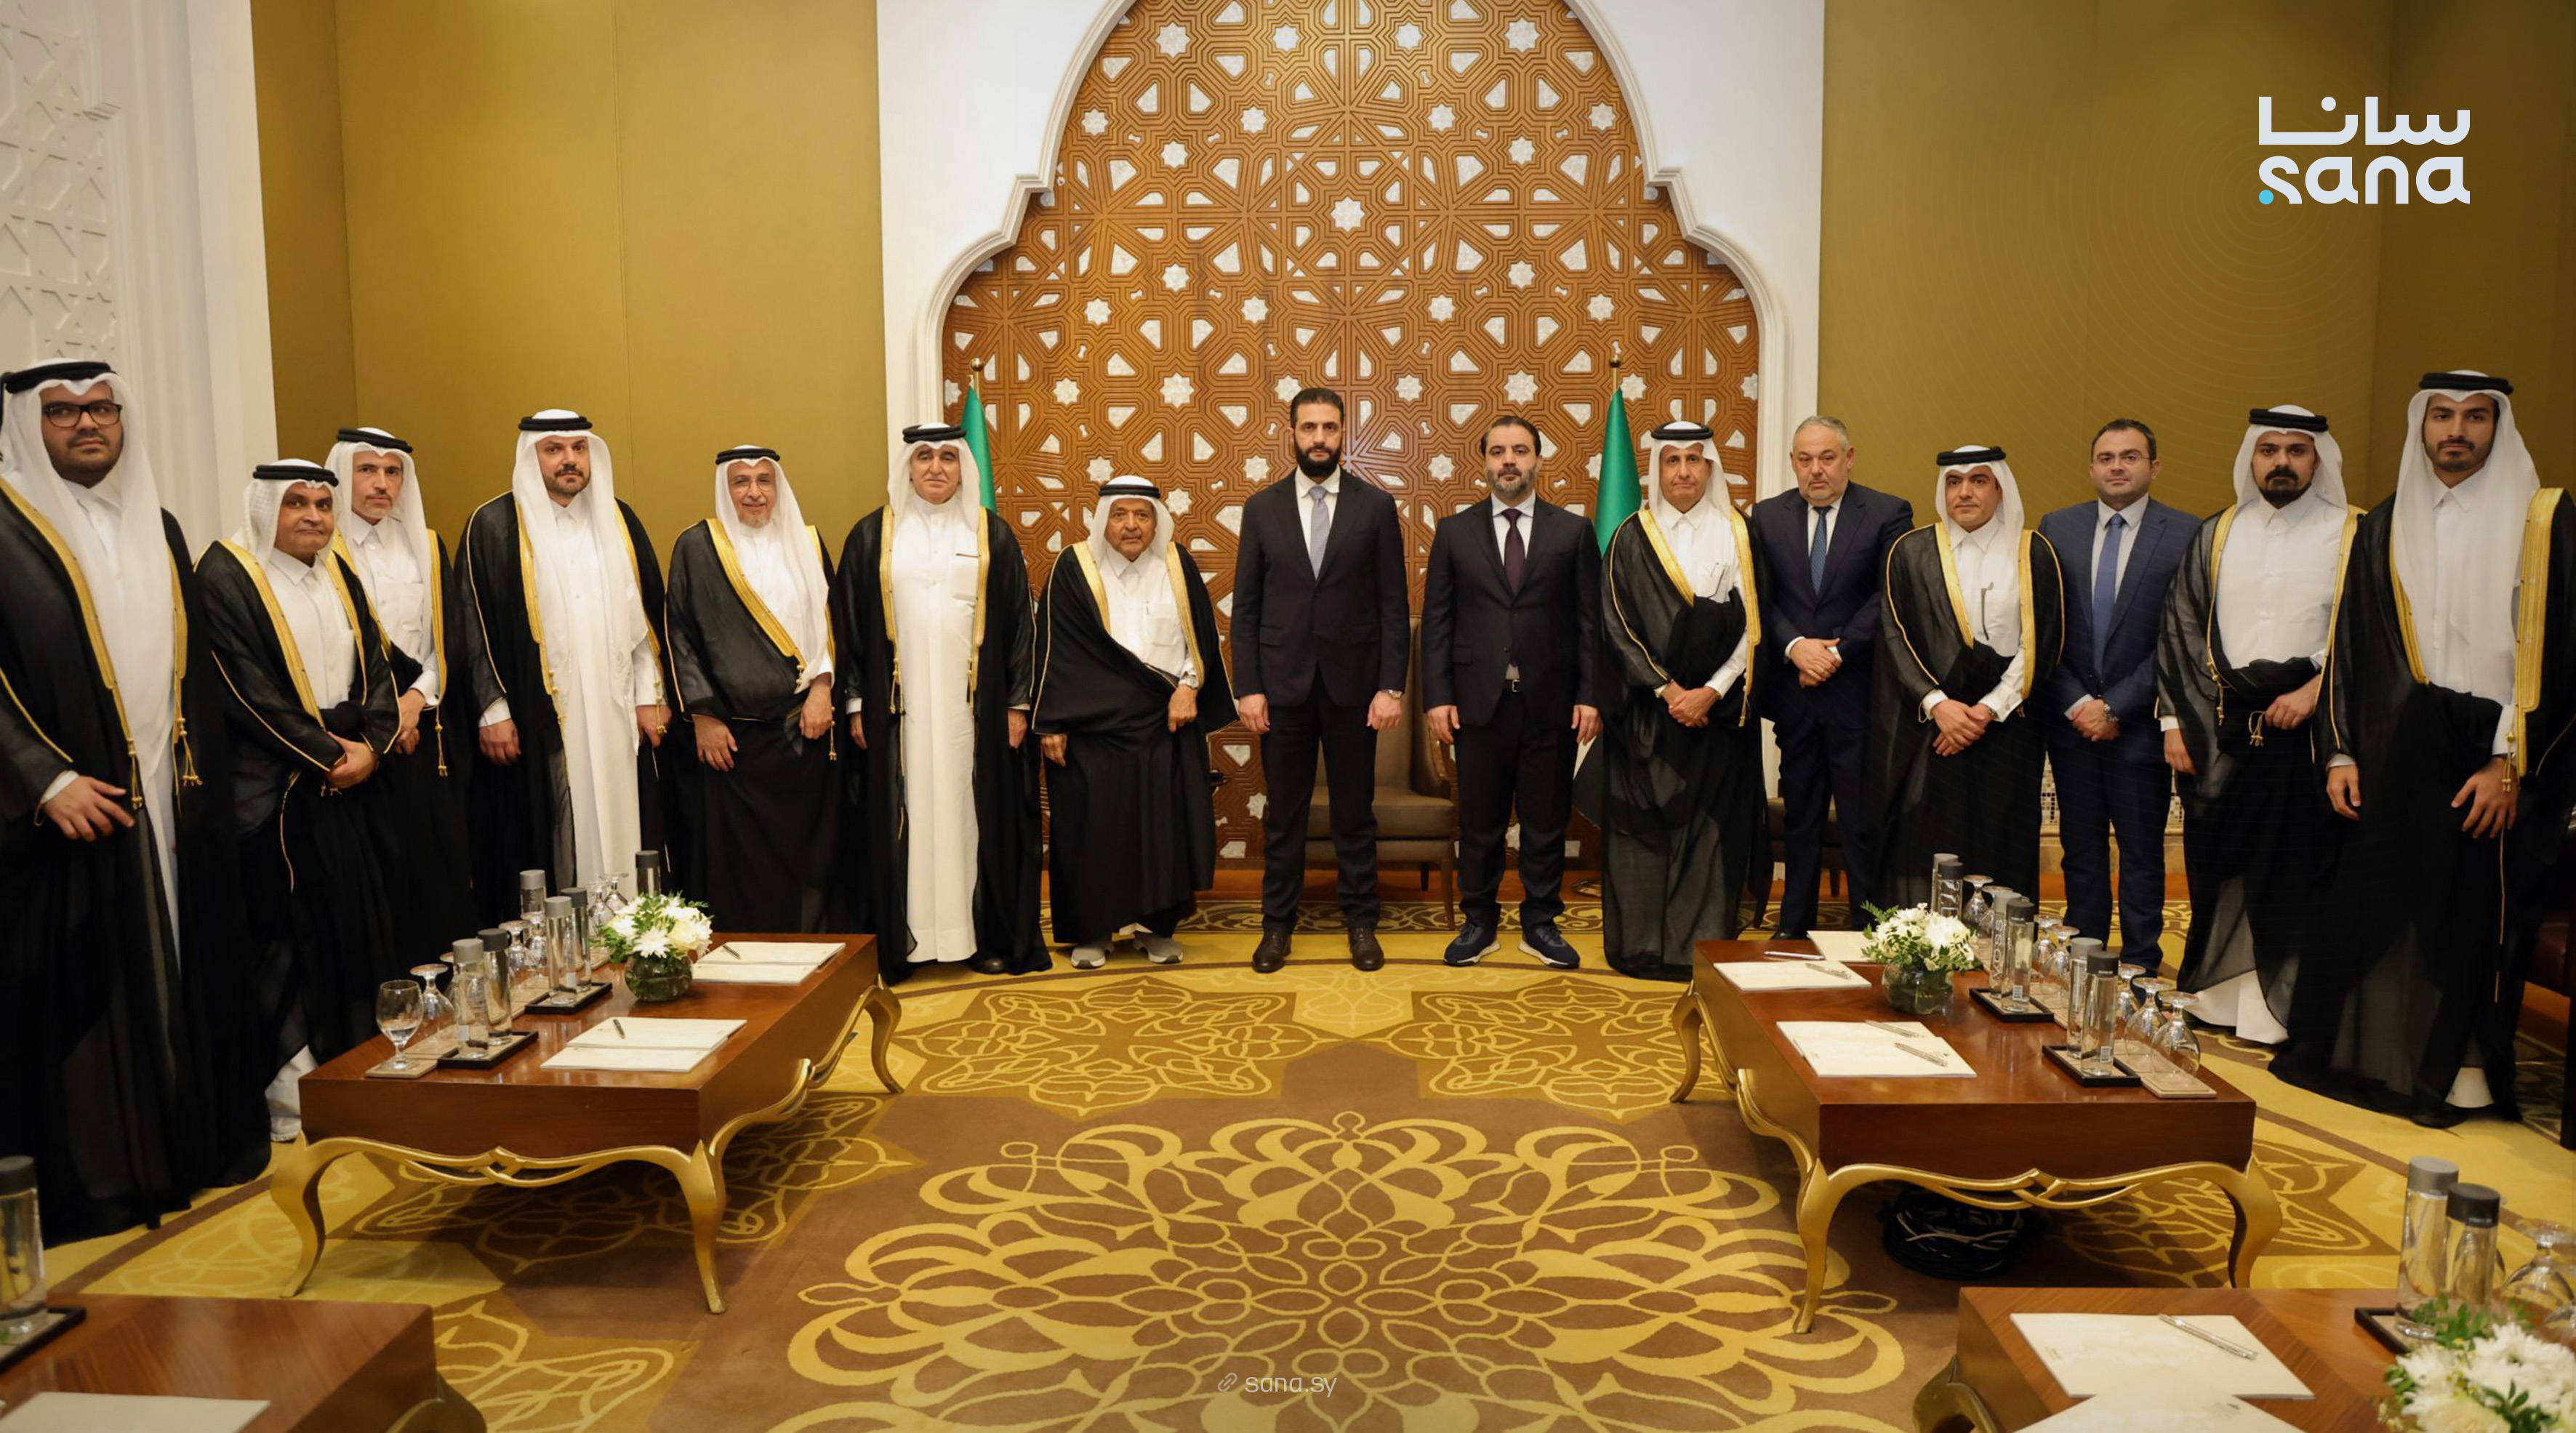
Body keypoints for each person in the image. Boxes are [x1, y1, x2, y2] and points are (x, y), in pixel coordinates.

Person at [0, 358, 265, 1243]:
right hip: (58, 810)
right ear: (27, 424)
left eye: (103, 409)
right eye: (63, 412)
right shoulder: (7, 523)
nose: (88, 424)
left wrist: (196, 792)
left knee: (176, 970)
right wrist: (42, 778)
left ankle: (183, 1149)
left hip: (165, 791)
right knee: (90, 992)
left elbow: (196, 674)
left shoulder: (158, 522)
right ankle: (107, 1177)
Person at [2280, 372, 2575, 1126]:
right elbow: (2351, 645)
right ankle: (2384, 1058)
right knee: (2383, 899)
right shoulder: (2385, 523)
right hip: (2401, 744)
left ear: (2497, 428)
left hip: (2497, 748)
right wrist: (2341, 752)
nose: (2456, 431)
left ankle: (2464, 1071)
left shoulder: (2545, 521)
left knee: (2472, 914)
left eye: (2475, 418)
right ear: (2422, 425)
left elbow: (2566, 656)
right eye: (2442, 415)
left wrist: (2509, 760)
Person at [198, 459, 406, 1138]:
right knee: (289, 937)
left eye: (322, 503)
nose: (313, 516)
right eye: (296, 503)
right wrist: (327, 756)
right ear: (266, 509)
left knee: (350, 924)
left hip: (350, 781)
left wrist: (372, 746)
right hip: (275, 790)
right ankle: (293, 1096)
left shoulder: (336, 570)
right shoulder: (226, 574)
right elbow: (243, 688)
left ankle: (354, 1075)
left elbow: (377, 665)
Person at [2156, 406, 2353, 1045]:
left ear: (2317, 459)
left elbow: (2364, 630)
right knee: (2223, 861)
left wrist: (2316, 689)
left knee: (2292, 869)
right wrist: (2174, 720)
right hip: (2228, 728)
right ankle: (2217, 997)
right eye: (2269, 450)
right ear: (2251, 458)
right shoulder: (2219, 532)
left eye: (2296, 451)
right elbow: (2182, 627)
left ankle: (2279, 1010)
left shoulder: (2351, 533)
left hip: (2313, 731)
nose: (2281, 463)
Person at [830, 425, 1043, 979]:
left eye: (948, 457)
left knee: (968, 814)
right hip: (895, 713)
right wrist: (854, 703)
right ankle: (905, 944)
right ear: (907, 466)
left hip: (972, 712)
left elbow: (1020, 627)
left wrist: (1016, 704)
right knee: (903, 816)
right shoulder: (872, 535)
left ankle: (975, 937)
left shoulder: (990, 534)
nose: (935, 468)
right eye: (923, 456)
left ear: (962, 468)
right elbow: (847, 624)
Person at [457, 411, 673, 909]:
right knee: (552, 824)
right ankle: (561, 937)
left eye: (578, 449)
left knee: (624, 817)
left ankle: (627, 923)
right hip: (540, 712)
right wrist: (493, 710)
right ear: (530, 456)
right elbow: (472, 624)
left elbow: (645, 621)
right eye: (553, 449)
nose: (569, 460)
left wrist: (649, 696)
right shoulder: (493, 525)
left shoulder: (618, 520)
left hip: (615, 708)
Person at [1581, 420, 1769, 980]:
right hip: (1647, 714)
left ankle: (1701, 948)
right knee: (1642, 838)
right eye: (1672, 460)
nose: (1683, 471)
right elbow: (1615, 625)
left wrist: (1711, 691)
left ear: (1709, 466)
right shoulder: (1629, 536)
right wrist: (1668, 690)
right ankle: (1640, 946)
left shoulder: (1739, 532)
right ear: (1656, 469)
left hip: (1716, 716)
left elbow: (1754, 624)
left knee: (1710, 836)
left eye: (1693, 459)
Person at [1230, 387, 1410, 974]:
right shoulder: (1261, 508)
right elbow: (1246, 609)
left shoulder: (1374, 506)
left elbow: (1392, 605)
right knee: (1284, 815)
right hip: (1280, 690)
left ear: (1342, 434)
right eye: (1308, 427)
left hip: (1354, 690)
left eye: (1329, 428)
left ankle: (1361, 922)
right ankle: (1276, 926)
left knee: (1354, 814)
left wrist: (1390, 687)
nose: (1319, 438)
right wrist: (1247, 687)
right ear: (1291, 433)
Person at [1033, 475, 1233, 968]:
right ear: (1103, 519)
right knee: (1094, 831)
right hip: (1091, 728)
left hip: (1163, 722)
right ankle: (1092, 930)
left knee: (1161, 830)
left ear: (1156, 522)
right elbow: (1054, 648)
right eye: (1120, 514)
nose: (1131, 525)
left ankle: (1154, 927)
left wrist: (1189, 687)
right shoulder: (1074, 566)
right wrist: (1051, 720)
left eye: (1142, 515)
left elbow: (1200, 638)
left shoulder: (1176, 565)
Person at [1422, 414, 1599, 969]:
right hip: (1478, 704)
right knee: (1480, 823)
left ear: (1538, 459)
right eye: (1498, 451)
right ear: (1483, 461)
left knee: (1546, 822)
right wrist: (1436, 697)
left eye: (1519, 450)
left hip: (1551, 703)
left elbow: (1589, 623)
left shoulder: (1572, 531)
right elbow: (1437, 622)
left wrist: (1590, 695)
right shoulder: (1454, 531)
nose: (1508, 460)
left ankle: (1540, 922)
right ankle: (1478, 921)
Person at [1871, 446, 2066, 905]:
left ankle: (2000, 944)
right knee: (1929, 841)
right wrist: (1939, 705)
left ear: (2000, 489)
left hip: (2007, 727)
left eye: (1979, 481)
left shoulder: (2033, 551)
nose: (1965, 493)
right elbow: (1895, 636)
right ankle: (1929, 940)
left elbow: (2044, 640)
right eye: (1954, 482)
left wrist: (1987, 710)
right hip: (1932, 728)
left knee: (2003, 841)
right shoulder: (1912, 551)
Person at [1748, 415, 1914, 929]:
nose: (1815, 470)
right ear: (1793, 463)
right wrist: (1796, 647)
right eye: (1805, 459)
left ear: (1848, 458)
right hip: (1795, 695)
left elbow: (1889, 595)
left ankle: (1870, 925)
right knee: (1800, 815)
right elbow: (1760, 595)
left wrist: (1834, 654)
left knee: (1862, 820)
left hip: (1858, 697)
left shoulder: (1888, 512)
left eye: (1826, 458)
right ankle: (1792, 923)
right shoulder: (1766, 516)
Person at [665, 446, 839, 931]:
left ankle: (808, 946)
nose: (754, 492)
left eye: (765, 480)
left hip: (802, 727)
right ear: (725, 488)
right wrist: (703, 716)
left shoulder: (807, 541)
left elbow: (830, 624)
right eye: (741, 482)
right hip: (732, 739)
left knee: (805, 848)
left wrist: (822, 689)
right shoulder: (697, 546)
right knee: (741, 860)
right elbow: (680, 634)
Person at [2038, 420, 2194, 963]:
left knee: (2141, 853)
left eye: (2130, 456)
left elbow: (2181, 637)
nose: (2117, 467)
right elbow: (2044, 627)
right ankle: (2085, 959)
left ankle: (2140, 964)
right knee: (2080, 850)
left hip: (2140, 725)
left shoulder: (2186, 533)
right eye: (2106, 458)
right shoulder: (2057, 527)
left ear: (2154, 466)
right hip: (2072, 723)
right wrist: (2080, 703)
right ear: (2091, 469)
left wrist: (2116, 706)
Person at [326, 426, 476, 944]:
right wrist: (388, 716)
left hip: (426, 728)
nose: (381, 483)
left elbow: (449, 637)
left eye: (393, 472)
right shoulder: (324, 549)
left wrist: (416, 699)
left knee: (434, 869)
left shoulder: (425, 546)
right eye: (367, 470)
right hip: (358, 736)